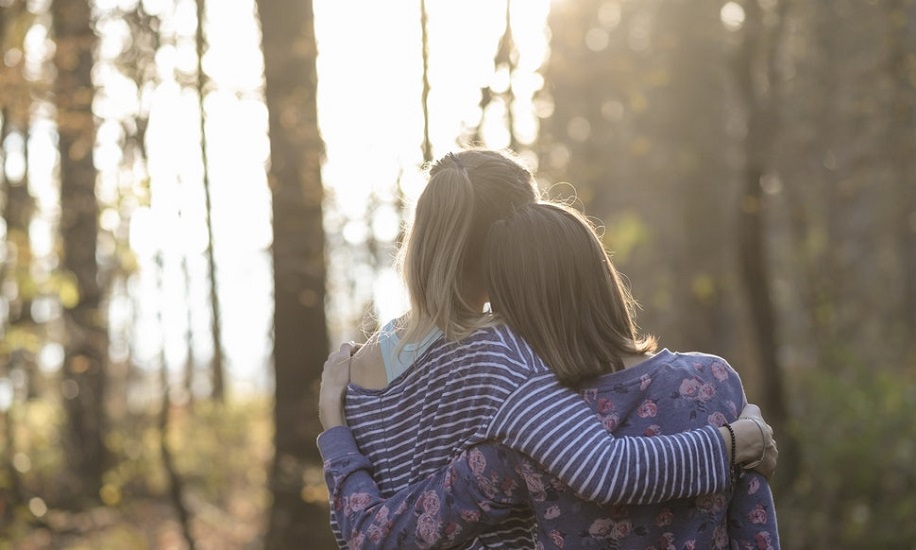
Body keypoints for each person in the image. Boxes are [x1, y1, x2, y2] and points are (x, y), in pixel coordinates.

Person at [318, 150, 776, 548]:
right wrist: (737, 441)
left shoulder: (358, 368)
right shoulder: (506, 360)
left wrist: (333, 426)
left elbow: (361, 533)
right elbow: (607, 468)